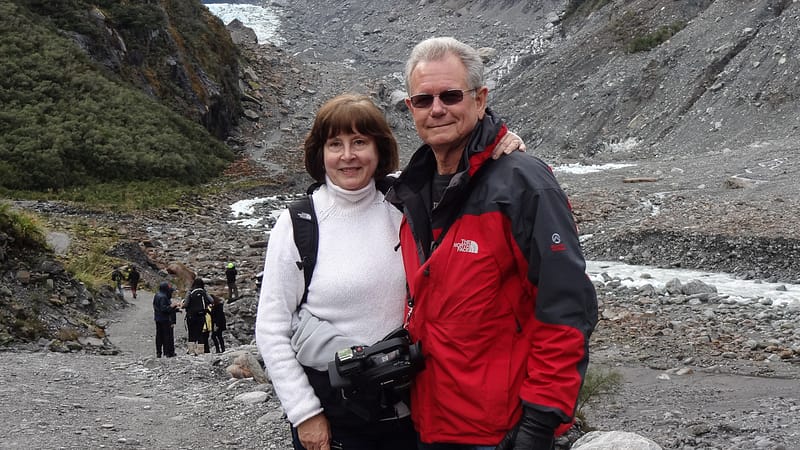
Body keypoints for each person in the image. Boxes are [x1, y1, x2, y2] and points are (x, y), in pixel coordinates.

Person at [255, 93, 524, 450]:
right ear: (320, 153)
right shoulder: (298, 224)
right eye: (335, 144)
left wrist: (502, 143)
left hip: (412, 413)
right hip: (337, 418)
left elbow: (462, 170)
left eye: (360, 142)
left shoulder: (406, 200)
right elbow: (271, 328)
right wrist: (305, 414)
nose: (348, 156)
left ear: (379, 150)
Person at [385, 37, 599, 449]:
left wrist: (538, 423)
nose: (438, 109)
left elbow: (567, 308)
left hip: (498, 432)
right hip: (429, 423)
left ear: (480, 100)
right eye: (423, 99)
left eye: (450, 95)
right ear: (410, 109)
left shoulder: (524, 184)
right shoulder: (410, 190)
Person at [182, 278, 212, 356]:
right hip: (201, 316)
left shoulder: (190, 292)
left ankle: (191, 351)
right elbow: (211, 300)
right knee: (200, 334)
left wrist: (183, 304)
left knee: (191, 333)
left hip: (191, 316)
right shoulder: (204, 292)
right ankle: (201, 351)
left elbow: (185, 304)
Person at [153, 281, 180, 358]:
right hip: (165, 319)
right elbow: (164, 309)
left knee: (159, 336)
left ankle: (159, 352)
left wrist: (175, 309)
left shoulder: (157, 295)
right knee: (166, 336)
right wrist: (172, 306)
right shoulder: (163, 297)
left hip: (157, 318)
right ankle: (167, 353)